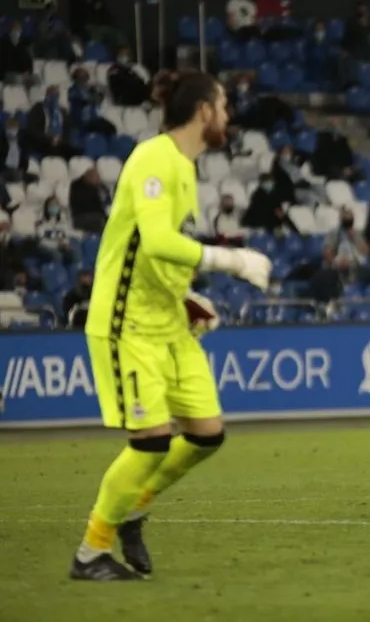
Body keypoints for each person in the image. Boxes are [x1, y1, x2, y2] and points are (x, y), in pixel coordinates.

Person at [69, 71, 272, 581]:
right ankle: (91, 553)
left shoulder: (183, 167)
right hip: (128, 323)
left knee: (206, 433)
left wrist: (185, 297)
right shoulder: (156, 158)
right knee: (151, 442)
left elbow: (150, 249)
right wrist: (231, 261)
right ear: (204, 111)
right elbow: (158, 240)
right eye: (223, 106)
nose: (227, 116)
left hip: (167, 321)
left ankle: (134, 507)